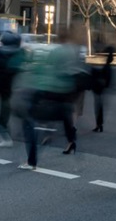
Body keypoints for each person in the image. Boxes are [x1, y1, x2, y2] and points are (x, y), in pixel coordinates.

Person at [17, 29, 85, 170]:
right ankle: (69, 140)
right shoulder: (74, 51)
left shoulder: (56, 52)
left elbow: (46, 70)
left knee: (29, 121)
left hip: (50, 90)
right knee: (65, 115)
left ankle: (32, 160)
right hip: (68, 92)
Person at [90, 47, 115, 133]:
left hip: (100, 90)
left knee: (99, 108)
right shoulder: (108, 67)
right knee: (100, 108)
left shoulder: (106, 67)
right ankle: (99, 125)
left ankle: (99, 125)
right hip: (104, 89)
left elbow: (101, 75)